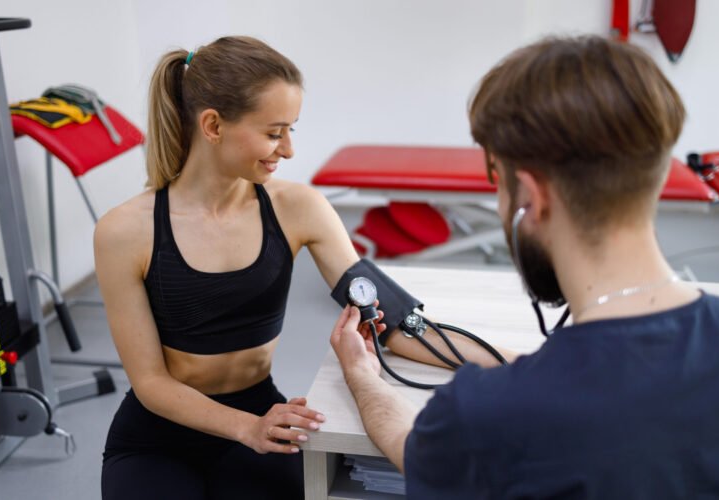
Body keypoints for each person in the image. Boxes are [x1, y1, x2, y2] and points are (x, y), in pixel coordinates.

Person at [330, 35, 719, 499]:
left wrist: (362, 378)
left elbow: (413, 451)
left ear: (532, 198)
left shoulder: (489, 413)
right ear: (660, 173)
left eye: (497, 183)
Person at [96, 36, 502, 500]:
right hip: (158, 438)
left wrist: (524, 364)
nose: (287, 150)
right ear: (212, 125)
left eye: (292, 130)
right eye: (274, 132)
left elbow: (395, 325)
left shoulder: (299, 208)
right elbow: (150, 383)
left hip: (261, 415)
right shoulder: (125, 231)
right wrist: (247, 428)